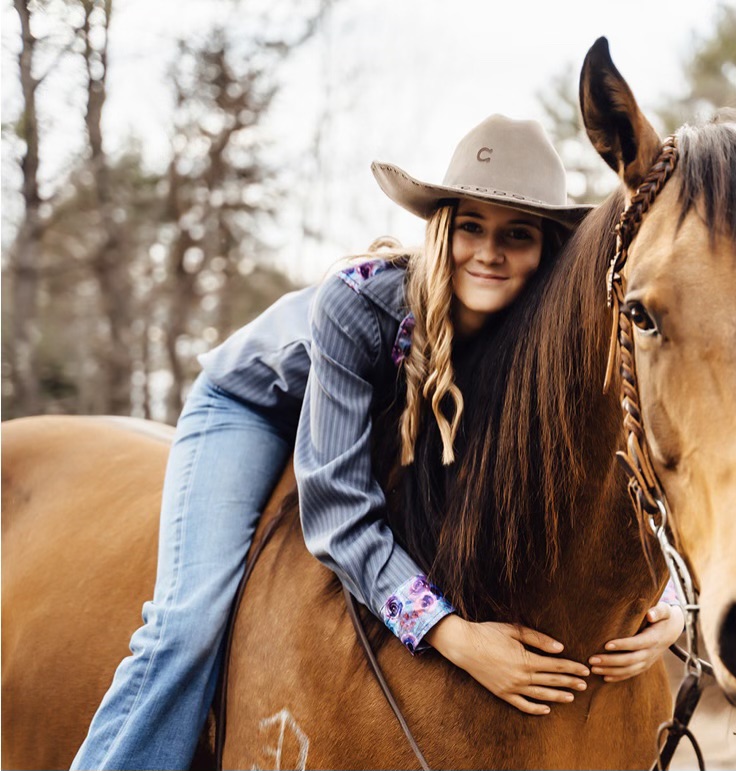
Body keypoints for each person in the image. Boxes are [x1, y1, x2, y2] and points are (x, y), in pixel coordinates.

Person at [71, 115, 685, 771]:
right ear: (441, 226)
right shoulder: (364, 301)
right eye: (470, 225)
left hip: (373, 424)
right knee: (188, 624)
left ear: (547, 251)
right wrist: (454, 636)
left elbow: (613, 474)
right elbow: (336, 503)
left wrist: (667, 603)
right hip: (259, 408)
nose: (489, 251)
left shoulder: (537, 338)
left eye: (517, 234)